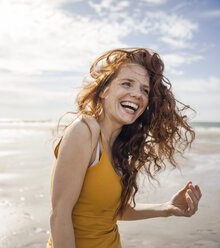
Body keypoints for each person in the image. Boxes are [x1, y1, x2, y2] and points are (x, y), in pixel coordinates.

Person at [46, 48, 202, 248]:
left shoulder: (120, 146)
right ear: (104, 90)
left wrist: (167, 208)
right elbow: (59, 214)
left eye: (144, 90)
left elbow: (112, 211)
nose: (137, 94)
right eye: (127, 83)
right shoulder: (85, 130)